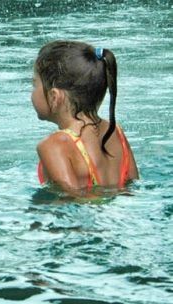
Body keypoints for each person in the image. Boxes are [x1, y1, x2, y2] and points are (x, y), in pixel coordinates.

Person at [32, 40, 139, 196]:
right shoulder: (116, 132)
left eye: (34, 84)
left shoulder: (53, 145)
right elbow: (131, 190)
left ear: (54, 96)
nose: (33, 92)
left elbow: (72, 202)